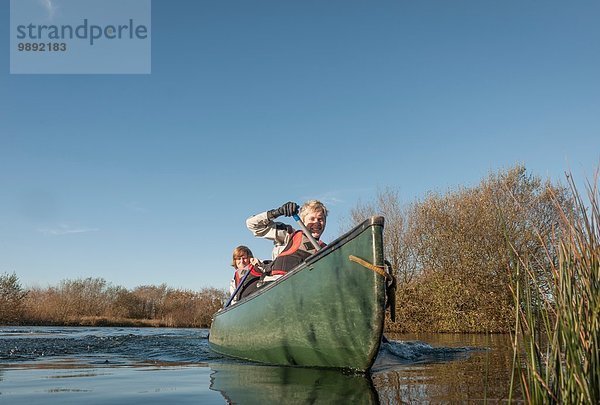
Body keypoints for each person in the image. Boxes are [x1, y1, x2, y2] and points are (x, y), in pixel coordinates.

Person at [246, 200, 328, 276]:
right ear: (303, 221)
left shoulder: (326, 250)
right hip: (279, 284)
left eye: (320, 219)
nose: (317, 222)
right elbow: (252, 224)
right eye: (312, 219)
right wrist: (277, 212)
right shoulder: (289, 234)